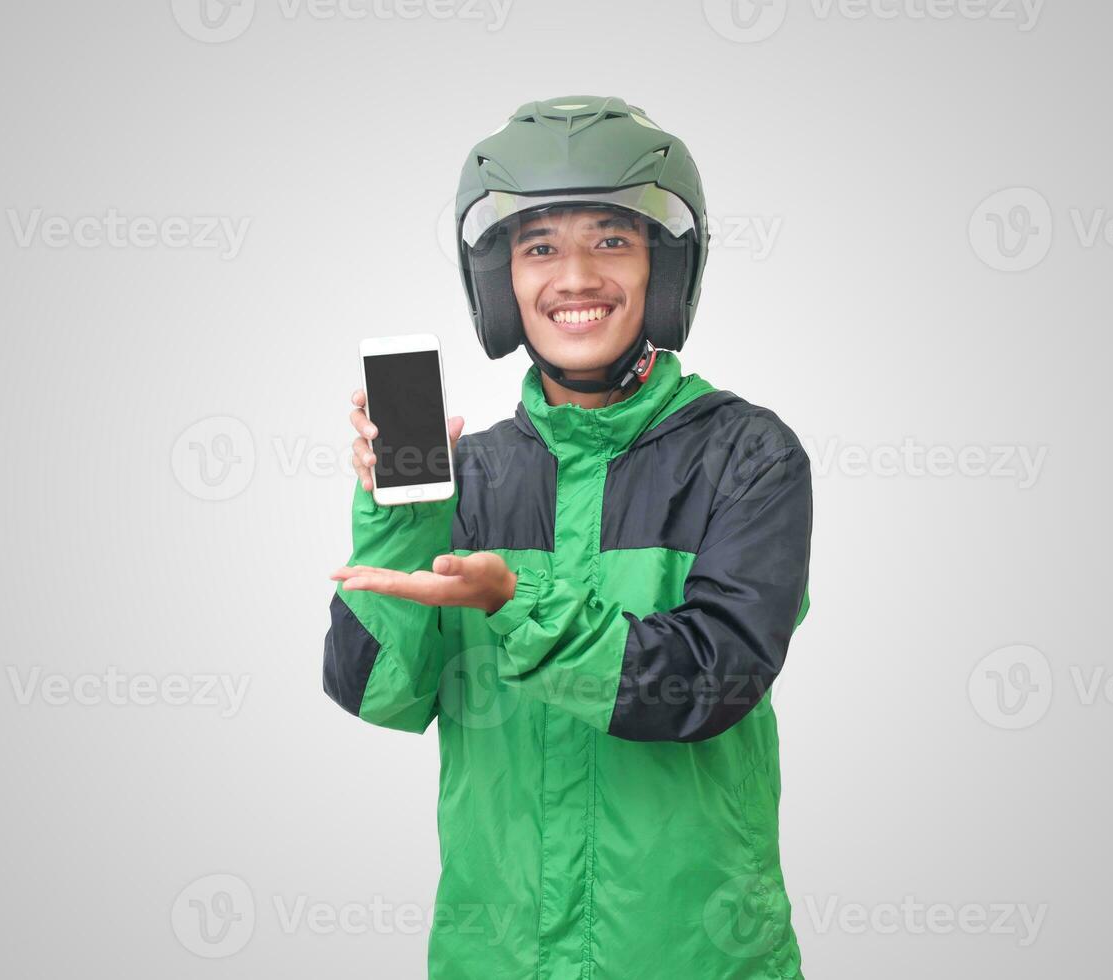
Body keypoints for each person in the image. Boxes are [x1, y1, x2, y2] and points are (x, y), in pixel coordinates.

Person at [323, 95, 814, 979]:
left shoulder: (747, 454)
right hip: (497, 960)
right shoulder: (469, 476)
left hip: (695, 958)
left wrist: (516, 605)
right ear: (501, 283)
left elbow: (711, 682)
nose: (576, 276)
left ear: (665, 270)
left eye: (611, 241)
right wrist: (399, 520)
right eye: (540, 246)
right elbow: (375, 696)